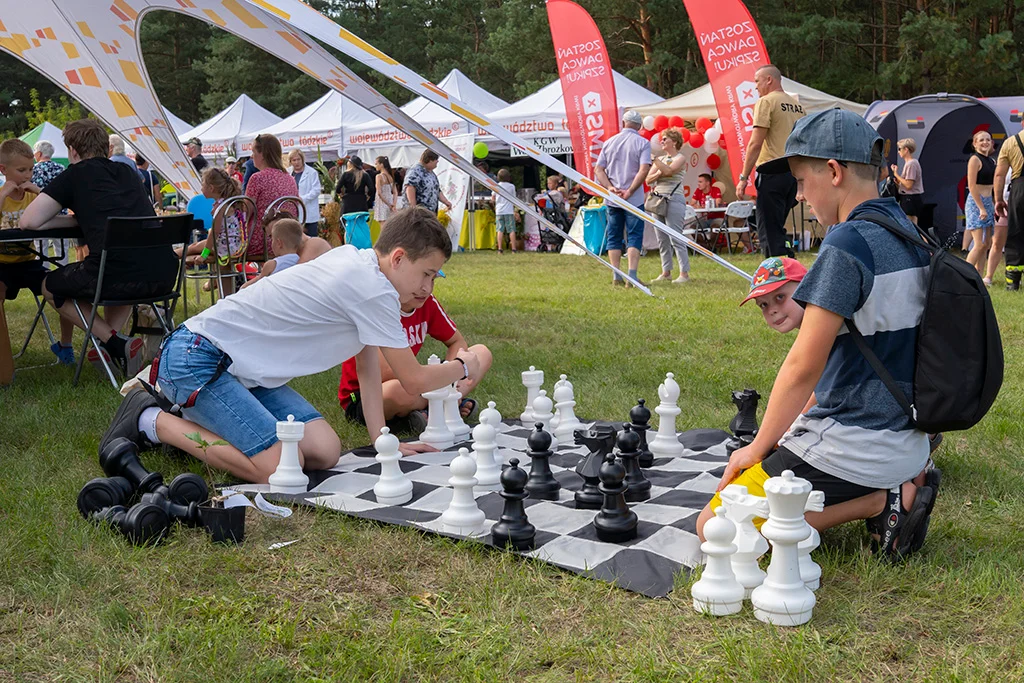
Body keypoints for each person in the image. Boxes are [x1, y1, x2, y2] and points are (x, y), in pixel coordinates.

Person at [696, 109, 936, 561]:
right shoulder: (910, 231)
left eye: (803, 183)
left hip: (857, 445)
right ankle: (895, 485)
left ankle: (884, 501)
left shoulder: (847, 243)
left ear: (834, 171)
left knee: (715, 528)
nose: (800, 197)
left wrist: (757, 447)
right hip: (910, 437)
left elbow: (803, 366)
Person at [99, 206, 482, 484]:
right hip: (195, 358)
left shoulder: (365, 266)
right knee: (279, 467)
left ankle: (188, 412)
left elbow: (367, 368)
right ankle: (153, 420)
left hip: (241, 370)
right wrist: (466, 365)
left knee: (325, 452)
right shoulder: (372, 289)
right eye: (427, 274)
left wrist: (383, 443)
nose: (428, 288)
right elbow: (413, 380)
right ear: (398, 258)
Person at [19, 119, 179, 377]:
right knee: (117, 265)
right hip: (162, 274)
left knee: (49, 285)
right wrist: (79, 218)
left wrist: (72, 218)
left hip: (115, 274)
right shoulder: (128, 173)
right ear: (106, 148)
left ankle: (115, 343)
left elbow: (29, 221)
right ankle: (113, 350)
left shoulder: (75, 174)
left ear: (72, 150)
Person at [338, 269, 494, 436]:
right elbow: (386, 374)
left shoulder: (427, 303)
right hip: (367, 395)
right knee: (396, 391)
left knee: (480, 353)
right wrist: (439, 379)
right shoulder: (379, 307)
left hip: (413, 380)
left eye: (432, 280)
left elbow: (457, 342)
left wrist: (451, 381)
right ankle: (442, 407)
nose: (427, 288)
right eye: (422, 277)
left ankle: (441, 404)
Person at [0, 139, 74, 365]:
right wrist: (3, 194)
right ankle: (3, 355)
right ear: (3, 170)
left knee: (62, 288)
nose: (27, 175)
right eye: (21, 170)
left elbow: (57, 214)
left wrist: (41, 192)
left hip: (29, 262)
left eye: (31, 169)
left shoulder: (33, 196)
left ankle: (66, 346)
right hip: (2, 264)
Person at [735, 65, 806, 257]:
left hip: (772, 170)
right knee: (777, 227)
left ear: (769, 80)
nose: (755, 86)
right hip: (793, 173)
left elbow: (755, 144)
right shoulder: (798, 106)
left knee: (768, 230)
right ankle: (787, 263)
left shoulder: (766, 101)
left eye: (757, 80)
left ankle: (775, 275)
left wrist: (743, 177)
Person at [594, 110, 651, 286]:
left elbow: (598, 169)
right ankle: (632, 276)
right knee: (634, 236)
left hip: (613, 198)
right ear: (640, 126)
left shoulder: (609, 142)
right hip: (634, 199)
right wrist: (631, 190)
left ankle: (616, 275)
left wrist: (610, 188)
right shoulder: (643, 142)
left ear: (624, 123)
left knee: (614, 235)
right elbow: (644, 169)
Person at [645, 128, 689, 283]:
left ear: (674, 142)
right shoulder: (661, 159)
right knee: (661, 238)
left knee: (676, 237)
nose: (662, 141)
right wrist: (659, 172)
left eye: (665, 139)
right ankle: (666, 272)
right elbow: (648, 179)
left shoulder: (680, 157)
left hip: (674, 199)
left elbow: (670, 171)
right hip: (658, 200)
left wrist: (656, 162)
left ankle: (684, 273)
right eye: (661, 139)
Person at [245, 134, 299, 260]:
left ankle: (219, 278)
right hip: (289, 241)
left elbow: (245, 212)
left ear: (262, 154)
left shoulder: (257, 178)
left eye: (253, 152)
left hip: (264, 241)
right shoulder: (290, 179)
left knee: (221, 246)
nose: (252, 156)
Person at [994, 120, 1024, 291]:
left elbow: (999, 175)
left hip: (1019, 191)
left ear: (1022, 123)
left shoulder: (1010, 143)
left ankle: (1013, 282)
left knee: (1016, 234)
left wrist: (998, 199)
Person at [31, 140, 69, 268]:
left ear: (39, 153)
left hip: (40, 214)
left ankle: (43, 270)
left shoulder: (33, 171)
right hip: (61, 214)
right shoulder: (61, 169)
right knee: (62, 247)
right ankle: (63, 271)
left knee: (41, 247)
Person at [964, 130, 996, 274]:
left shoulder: (991, 161)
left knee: (986, 244)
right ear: (975, 143)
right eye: (981, 140)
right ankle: (964, 275)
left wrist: (994, 204)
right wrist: (981, 208)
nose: (985, 143)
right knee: (979, 244)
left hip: (989, 202)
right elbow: (971, 186)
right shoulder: (974, 160)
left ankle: (979, 275)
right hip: (976, 203)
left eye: (988, 140)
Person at [240, 217, 303, 289]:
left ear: (279, 243)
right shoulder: (302, 261)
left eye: (272, 239)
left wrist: (243, 287)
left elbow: (258, 281)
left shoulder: (273, 264)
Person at [404, 150, 452, 214]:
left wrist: (446, 201)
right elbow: (410, 187)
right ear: (430, 160)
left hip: (430, 213)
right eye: (436, 160)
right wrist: (413, 208)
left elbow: (436, 189)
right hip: (419, 213)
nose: (437, 162)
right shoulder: (415, 171)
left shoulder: (430, 172)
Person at [288, 149, 322, 237]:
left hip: (309, 212)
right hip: (293, 211)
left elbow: (316, 190)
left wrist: (303, 199)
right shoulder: (287, 173)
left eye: (298, 159)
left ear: (302, 159)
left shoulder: (312, 172)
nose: (296, 162)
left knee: (311, 238)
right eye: (294, 160)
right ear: (290, 161)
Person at [985, 174, 1011, 287]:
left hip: (1018, 204)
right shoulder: (1002, 165)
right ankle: (988, 276)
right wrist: (997, 200)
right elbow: (997, 180)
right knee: (996, 243)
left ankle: (1015, 276)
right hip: (1003, 206)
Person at [891, 138, 924, 225]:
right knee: (914, 226)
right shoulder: (911, 163)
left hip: (910, 199)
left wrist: (896, 174)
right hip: (911, 198)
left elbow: (909, 185)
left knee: (908, 226)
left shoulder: (911, 164)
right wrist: (899, 182)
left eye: (900, 149)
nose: (898, 152)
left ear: (906, 150)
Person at [493, 167, 518, 253]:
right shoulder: (511, 186)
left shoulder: (496, 186)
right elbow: (514, 198)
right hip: (509, 211)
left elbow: (493, 197)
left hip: (499, 211)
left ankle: (500, 248)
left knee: (500, 230)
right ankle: (514, 249)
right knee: (511, 230)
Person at [374, 156, 398, 228]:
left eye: (376, 164)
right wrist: (393, 204)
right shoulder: (390, 176)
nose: (375, 166)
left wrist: (389, 204)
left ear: (381, 164)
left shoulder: (379, 176)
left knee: (383, 226)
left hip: (382, 203)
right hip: (389, 201)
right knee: (388, 226)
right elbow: (395, 192)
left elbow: (379, 193)